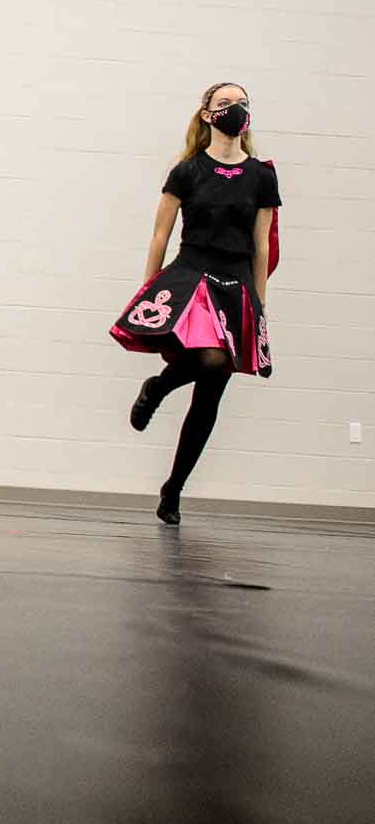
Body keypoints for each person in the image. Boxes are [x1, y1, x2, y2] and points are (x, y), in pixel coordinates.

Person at [110, 82, 280, 524]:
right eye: (225, 103)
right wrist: (148, 290)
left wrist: (258, 306)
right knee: (210, 359)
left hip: (235, 282)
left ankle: (173, 489)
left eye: (242, 102)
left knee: (211, 395)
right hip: (193, 277)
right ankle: (160, 387)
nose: (235, 109)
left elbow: (261, 246)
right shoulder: (187, 171)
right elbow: (160, 236)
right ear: (206, 114)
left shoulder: (262, 176)